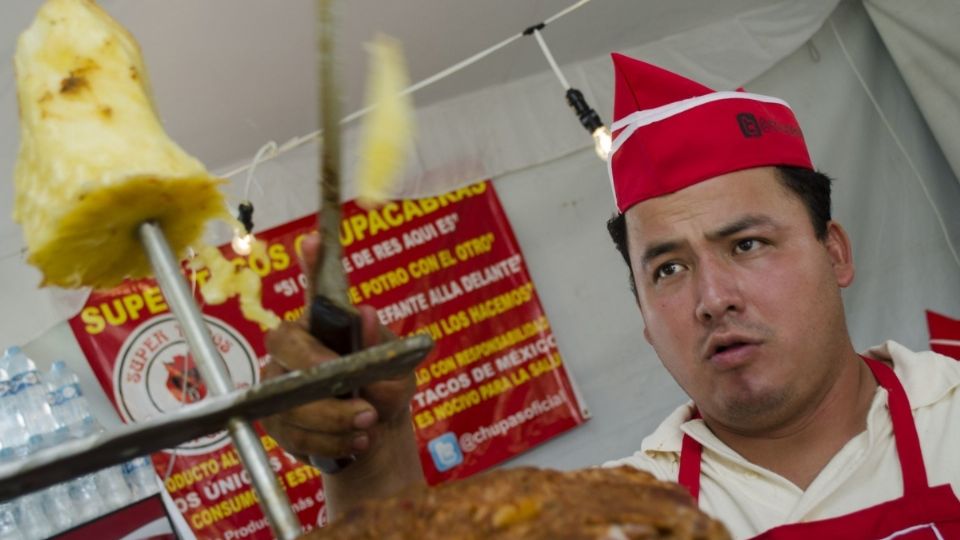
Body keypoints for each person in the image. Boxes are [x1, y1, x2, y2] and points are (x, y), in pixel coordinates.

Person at [262, 53, 960, 538]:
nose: (712, 298)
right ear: (643, 318)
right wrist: (371, 452)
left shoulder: (950, 418)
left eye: (747, 244)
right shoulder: (612, 513)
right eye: (667, 270)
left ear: (834, 251)